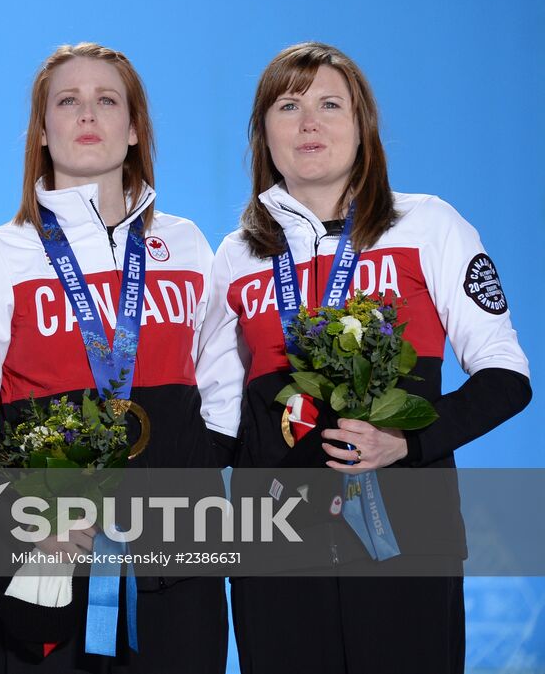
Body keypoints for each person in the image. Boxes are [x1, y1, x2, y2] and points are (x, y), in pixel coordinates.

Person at [197, 41, 531, 673]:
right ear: (263, 134)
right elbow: (220, 418)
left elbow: (506, 377)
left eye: (330, 104)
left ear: (362, 127)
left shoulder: (427, 225)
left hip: (408, 543)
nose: (309, 123)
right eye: (288, 106)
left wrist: (407, 442)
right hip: (276, 550)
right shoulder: (235, 257)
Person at [0, 43, 232, 673]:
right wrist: (27, 519)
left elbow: (223, 390)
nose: (86, 114)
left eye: (107, 100)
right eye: (66, 102)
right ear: (42, 133)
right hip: (51, 559)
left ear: (133, 130)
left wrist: (190, 483)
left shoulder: (184, 245)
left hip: (180, 555)